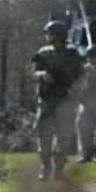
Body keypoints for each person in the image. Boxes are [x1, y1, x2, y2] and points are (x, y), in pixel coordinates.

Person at [31, 20, 84, 180]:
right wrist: (43, 75)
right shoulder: (43, 53)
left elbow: (80, 76)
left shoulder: (72, 54)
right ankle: (46, 167)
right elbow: (34, 72)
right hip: (47, 100)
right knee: (43, 135)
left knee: (64, 136)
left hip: (66, 100)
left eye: (49, 33)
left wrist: (74, 91)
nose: (47, 36)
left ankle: (59, 170)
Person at [75, 45, 96, 163]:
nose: (91, 58)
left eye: (93, 56)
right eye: (90, 57)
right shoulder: (86, 68)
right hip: (85, 101)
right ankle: (85, 155)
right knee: (84, 129)